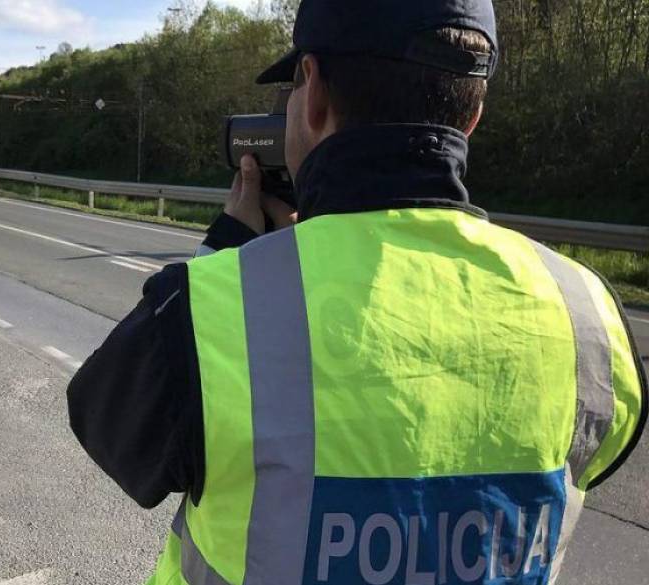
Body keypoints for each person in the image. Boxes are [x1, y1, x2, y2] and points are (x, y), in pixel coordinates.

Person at [67, 0, 647, 583]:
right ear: (472, 115)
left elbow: (111, 430)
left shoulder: (208, 306)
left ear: (314, 93)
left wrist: (229, 252)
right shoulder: (587, 312)